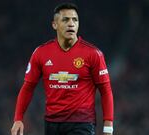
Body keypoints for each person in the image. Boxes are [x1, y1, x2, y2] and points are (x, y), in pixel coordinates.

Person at [11, 2, 114, 135]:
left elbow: (105, 90)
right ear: (54, 24)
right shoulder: (41, 53)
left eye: (75, 20)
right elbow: (28, 87)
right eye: (65, 20)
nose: (71, 23)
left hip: (82, 122)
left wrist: (108, 125)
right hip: (52, 123)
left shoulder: (93, 54)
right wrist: (18, 119)